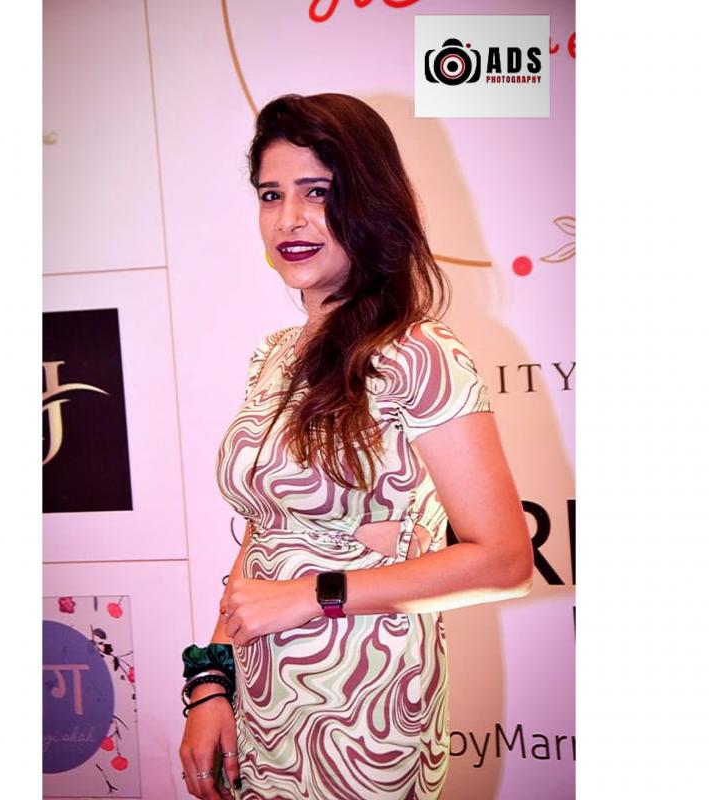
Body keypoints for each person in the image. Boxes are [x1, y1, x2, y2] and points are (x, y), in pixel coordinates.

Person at [178, 93, 533, 800]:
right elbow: (264, 534)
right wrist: (210, 680)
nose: (289, 219)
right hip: (262, 695)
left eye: (317, 192)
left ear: (368, 201)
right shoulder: (273, 356)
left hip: (366, 708)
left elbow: (504, 560)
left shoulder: (419, 352)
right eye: (271, 195)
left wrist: (312, 596)